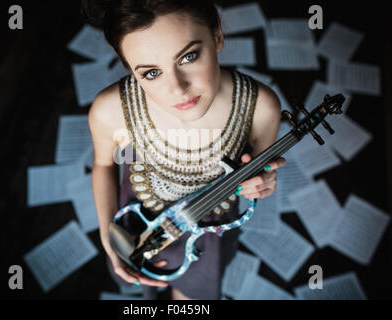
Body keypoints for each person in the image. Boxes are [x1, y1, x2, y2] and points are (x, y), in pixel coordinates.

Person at [82, 0, 286, 300]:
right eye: (151, 73)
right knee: (144, 274)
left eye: (189, 56)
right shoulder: (110, 111)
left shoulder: (260, 108)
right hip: (140, 222)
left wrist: (262, 182)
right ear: (129, 68)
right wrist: (107, 233)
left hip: (207, 230)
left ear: (217, 34)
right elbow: (103, 165)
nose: (177, 89)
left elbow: (256, 174)